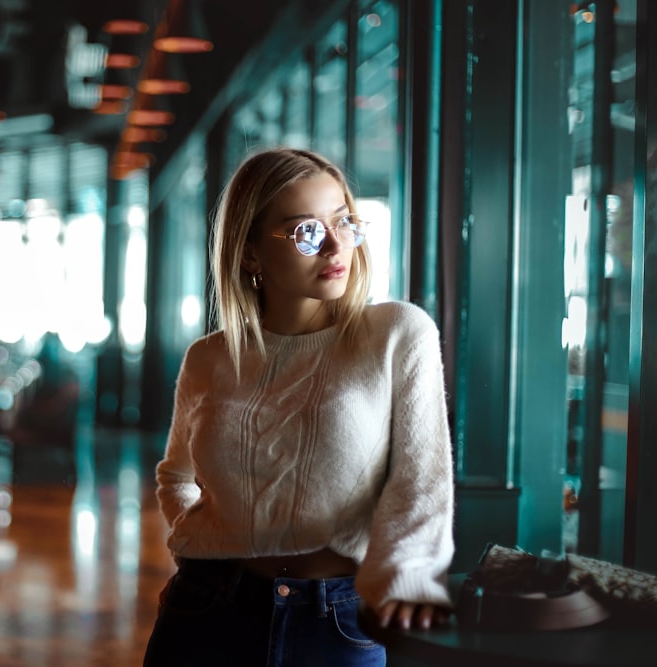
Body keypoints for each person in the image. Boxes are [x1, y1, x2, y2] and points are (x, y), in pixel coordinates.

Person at [142, 147, 455, 667]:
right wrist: (206, 543)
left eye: (344, 222)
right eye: (307, 231)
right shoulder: (210, 358)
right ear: (249, 253)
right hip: (205, 612)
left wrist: (406, 580)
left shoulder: (397, 334)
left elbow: (421, 483)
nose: (335, 244)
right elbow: (176, 475)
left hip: (336, 621)